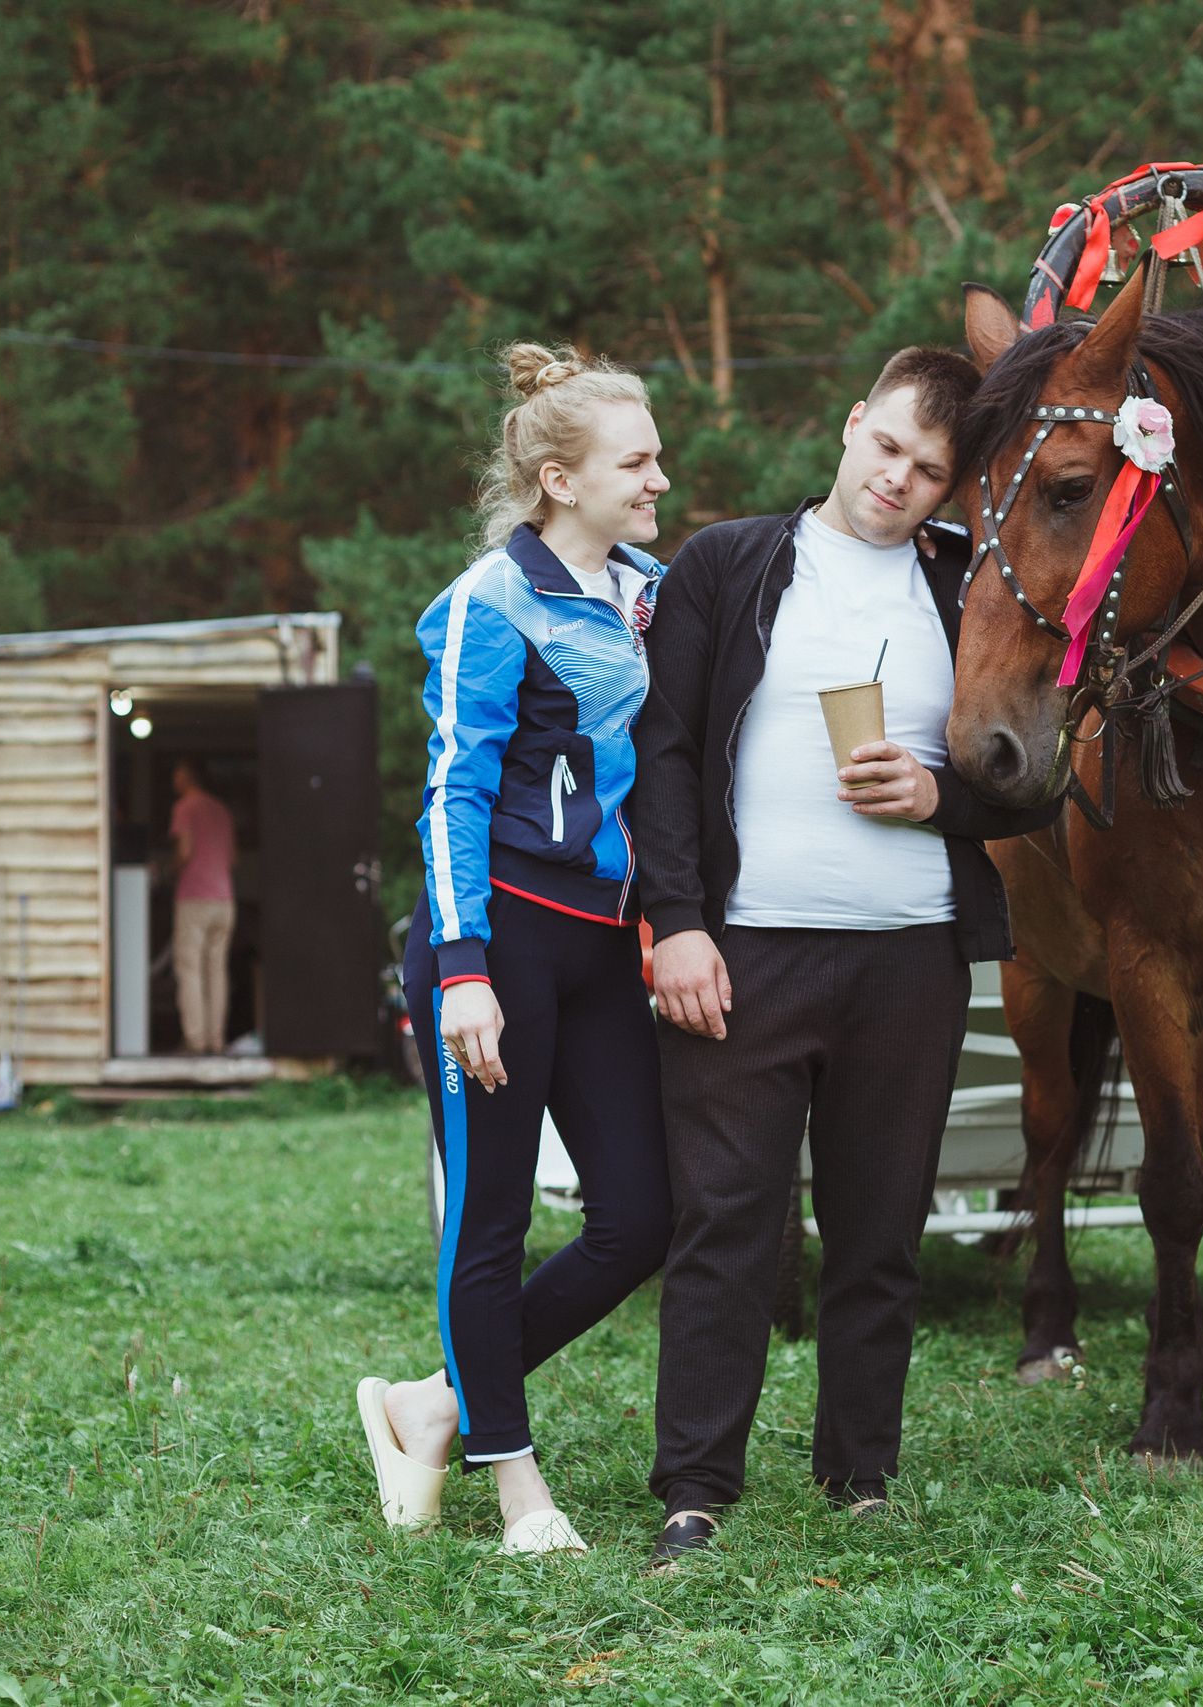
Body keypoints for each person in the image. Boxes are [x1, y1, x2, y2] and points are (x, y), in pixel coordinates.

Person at [630, 348, 1062, 1568]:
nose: (898, 480)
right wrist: (680, 924)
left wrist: (935, 796)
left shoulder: (969, 590)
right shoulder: (727, 562)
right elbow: (661, 756)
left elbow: (1033, 783)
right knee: (724, 1225)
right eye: (886, 448)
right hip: (745, 955)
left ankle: (859, 1474)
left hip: (909, 963)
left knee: (882, 1232)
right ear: (849, 424)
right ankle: (694, 1492)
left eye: (929, 470)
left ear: (951, 486)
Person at [354, 344, 676, 1556]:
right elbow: (451, 795)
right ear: (559, 478)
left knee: (638, 1220)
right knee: (487, 1220)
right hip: (495, 942)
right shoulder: (488, 602)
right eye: (635, 461)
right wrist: (465, 969)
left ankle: (432, 1404)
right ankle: (517, 1490)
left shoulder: (649, 593)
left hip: (602, 946)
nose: (658, 478)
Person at [165, 757, 237, 1055]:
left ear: (186, 776)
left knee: (190, 968)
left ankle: (196, 1040)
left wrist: (170, 871)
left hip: (195, 898)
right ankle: (216, 1039)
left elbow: (184, 851)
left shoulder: (184, 808)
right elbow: (233, 859)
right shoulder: (221, 810)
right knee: (217, 969)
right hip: (225, 900)